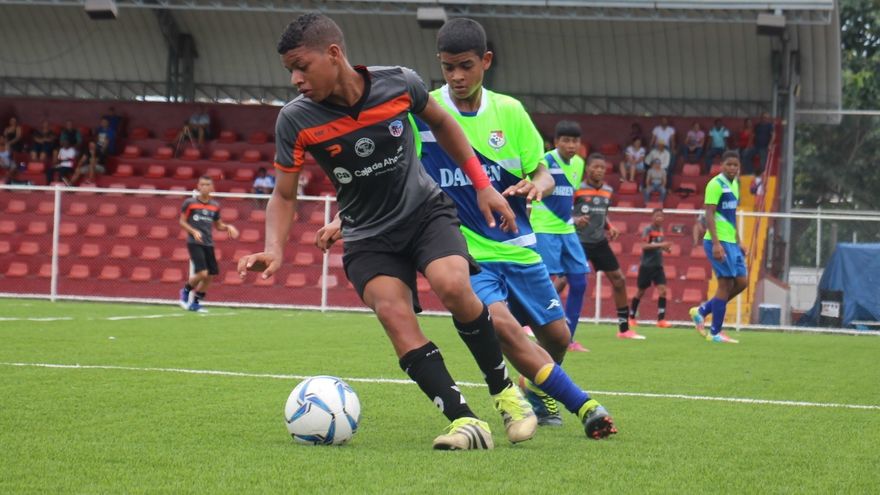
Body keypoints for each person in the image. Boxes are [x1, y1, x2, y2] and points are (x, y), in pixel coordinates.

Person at [238, 13, 521, 451]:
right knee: (393, 313)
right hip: (368, 235)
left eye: (301, 66)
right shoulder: (295, 120)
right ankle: (464, 420)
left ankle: (504, 392)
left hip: (424, 214)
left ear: (334, 54)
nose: (295, 80)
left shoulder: (400, 83)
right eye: (289, 71)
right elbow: (285, 194)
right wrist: (274, 248)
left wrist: (483, 186)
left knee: (452, 285)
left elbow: (444, 123)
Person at [416, 21, 616, 438]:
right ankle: (582, 405)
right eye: (448, 67)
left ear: (486, 61)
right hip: (467, 253)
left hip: (520, 247)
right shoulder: (425, 112)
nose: (456, 76)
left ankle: (536, 385)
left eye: (466, 66)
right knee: (502, 325)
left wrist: (537, 185)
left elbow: (542, 172)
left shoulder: (509, 111)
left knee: (557, 336)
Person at [573, 153, 646, 339]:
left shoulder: (608, 191)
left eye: (602, 168)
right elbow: (564, 213)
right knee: (565, 281)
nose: (599, 170)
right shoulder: (577, 190)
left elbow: (602, 215)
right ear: (587, 169)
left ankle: (624, 329)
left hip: (599, 242)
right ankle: (537, 318)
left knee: (619, 279)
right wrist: (575, 220)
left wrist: (610, 226)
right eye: (595, 167)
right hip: (579, 242)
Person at [689, 151, 747, 344]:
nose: (732, 168)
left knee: (742, 282)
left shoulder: (735, 184)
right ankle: (715, 333)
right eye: (729, 164)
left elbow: (731, 216)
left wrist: (739, 241)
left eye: (735, 165)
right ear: (721, 165)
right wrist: (715, 243)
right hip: (718, 241)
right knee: (725, 284)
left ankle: (702, 311)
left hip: (731, 242)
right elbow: (709, 214)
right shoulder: (715, 184)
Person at [179, 176, 239, 312]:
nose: (205, 187)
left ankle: (195, 303)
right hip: (195, 242)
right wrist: (193, 231)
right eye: (202, 184)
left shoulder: (215, 206)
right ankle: (185, 290)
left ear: (212, 187)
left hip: (208, 243)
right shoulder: (190, 203)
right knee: (202, 273)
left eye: (207, 184)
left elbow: (218, 225)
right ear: (198, 186)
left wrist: (228, 227)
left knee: (211, 275)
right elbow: (182, 221)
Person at [629, 208, 673, 328]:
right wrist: (661, 245)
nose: (659, 218)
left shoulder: (661, 230)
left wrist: (666, 249)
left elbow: (657, 245)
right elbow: (644, 246)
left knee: (663, 291)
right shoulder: (648, 230)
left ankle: (661, 320)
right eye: (657, 216)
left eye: (661, 216)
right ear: (652, 217)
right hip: (647, 266)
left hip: (658, 266)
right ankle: (631, 317)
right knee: (640, 292)